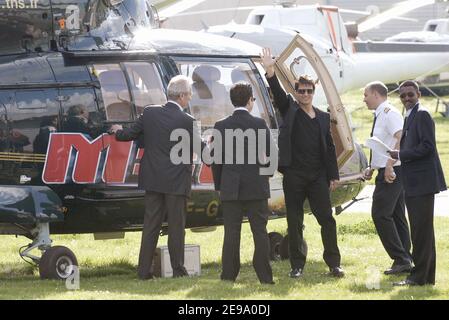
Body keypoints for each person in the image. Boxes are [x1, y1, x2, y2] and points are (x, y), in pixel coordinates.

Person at [260, 48, 344, 278]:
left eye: (308, 91)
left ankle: (334, 264)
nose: (305, 94)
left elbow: (329, 147)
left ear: (314, 92)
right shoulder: (290, 110)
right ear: (296, 93)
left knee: (327, 219)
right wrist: (270, 70)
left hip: (317, 176)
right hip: (294, 175)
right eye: (301, 91)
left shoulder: (323, 117)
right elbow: (277, 92)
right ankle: (297, 265)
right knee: (294, 222)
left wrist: (333, 175)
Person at [110, 75, 202, 279]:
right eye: (189, 95)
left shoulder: (149, 113)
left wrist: (117, 131)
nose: (189, 99)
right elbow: (201, 149)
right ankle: (178, 270)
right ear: (182, 96)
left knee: (151, 226)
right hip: (177, 182)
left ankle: (144, 271)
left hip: (153, 179)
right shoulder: (188, 121)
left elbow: (128, 135)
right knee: (177, 228)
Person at [212, 82, 276, 285]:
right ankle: (265, 276)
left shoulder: (221, 125)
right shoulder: (259, 124)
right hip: (256, 185)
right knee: (260, 231)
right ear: (250, 101)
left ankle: (229, 274)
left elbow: (216, 160)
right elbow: (271, 155)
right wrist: (267, 175)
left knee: (231, 232)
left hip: (230, 185)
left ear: (233, 101)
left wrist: (219, 184)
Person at [388, 80, 446, 286]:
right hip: (415, 182)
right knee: (423, 231)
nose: (406, 99)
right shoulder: (410, 115)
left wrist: (400, 154)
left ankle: (418, 277)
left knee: (420, 232)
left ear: (418, 94)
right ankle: (426, 276)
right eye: (402, 96)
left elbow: (428, 147)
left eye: (410, 95)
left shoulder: (422, 114)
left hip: (422, 183)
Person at [362, 81, 412, 275]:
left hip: (392, 172)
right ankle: (406, 259)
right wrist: (372, 167)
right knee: (397, 216)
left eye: (366, 95)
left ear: (376, 94)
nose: (364, 99)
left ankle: (400, 258)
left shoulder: (389, 113)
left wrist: (389, 166)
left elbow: (401, 139)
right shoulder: (381, 114)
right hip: (388, 170)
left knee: (380, 214)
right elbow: (383, 145)